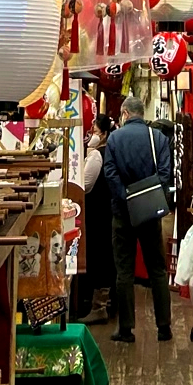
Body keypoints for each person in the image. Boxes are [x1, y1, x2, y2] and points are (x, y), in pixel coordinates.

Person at [100, 95, 173, 344]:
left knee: (124, 271)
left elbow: (109, 173)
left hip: (122, 212)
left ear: (124, 113)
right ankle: (164, 327)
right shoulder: (159, 139)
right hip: (150, 213)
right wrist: (146, 198)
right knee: (158, 270)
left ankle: (126, 329)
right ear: (141, 113)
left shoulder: (114, 139)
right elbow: (165, 174)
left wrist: (126, 197)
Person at [81, 112, 115, 324]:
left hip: (97, 211)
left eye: (93, 131)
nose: (90, 135)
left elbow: (85, 185)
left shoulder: (97, 154)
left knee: (98, 255)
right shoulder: (111, 150)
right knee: (106, 254)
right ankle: (105, 302)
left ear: (102, 133)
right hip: (108, 209)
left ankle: (98, 306)